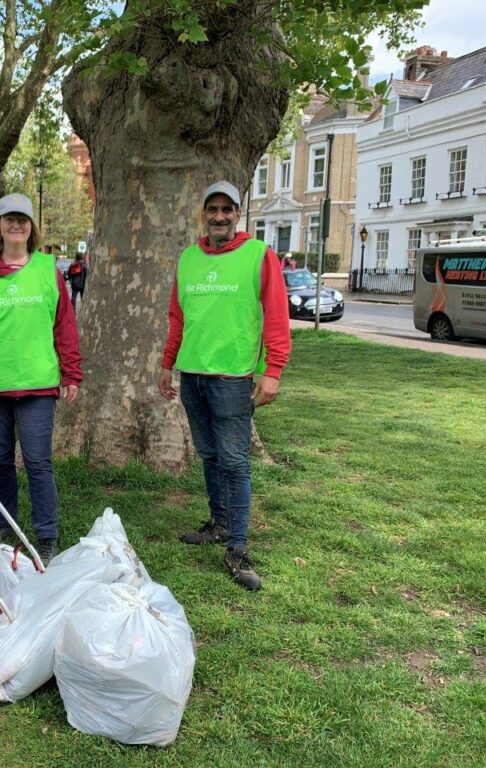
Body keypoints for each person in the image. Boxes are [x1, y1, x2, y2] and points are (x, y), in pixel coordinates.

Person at [157, 180, 291, 591]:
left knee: (234, 462)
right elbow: (178, 317)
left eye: (227, 210)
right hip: (192, 376)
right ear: (204, 215)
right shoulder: (189, 259)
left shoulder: (258, 256)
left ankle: (237, 546)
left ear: (238, 214)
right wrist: (167, 365)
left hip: (232, 378)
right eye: (212, 209)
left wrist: (273, 370)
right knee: (210, 455)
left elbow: (276, 314)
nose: (219, 216)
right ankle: (218, 523)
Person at [0, 193, 83, 564]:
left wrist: (71, 371)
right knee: (0, 459)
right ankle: (5, 526)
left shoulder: (48, 270)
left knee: (38, 461)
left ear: (31, 228)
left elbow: (64, 326)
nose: (16, 225)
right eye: (9, 218)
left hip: (38, 384)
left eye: (22, 219)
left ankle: (46, 533)